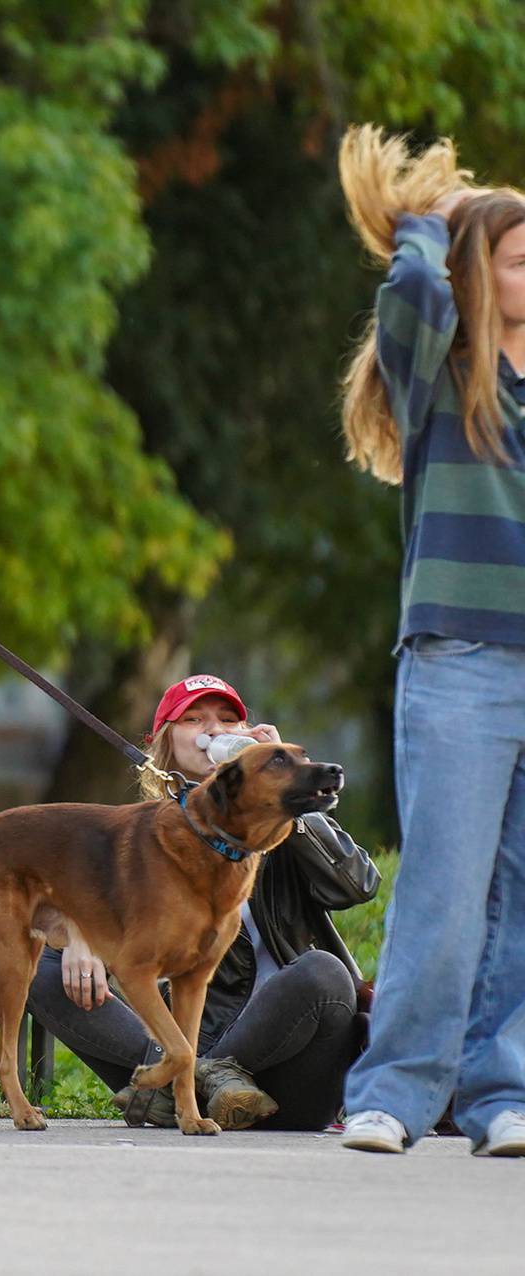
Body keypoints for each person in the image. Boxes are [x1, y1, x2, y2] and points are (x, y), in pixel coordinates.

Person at [332, 126, 525, 1158]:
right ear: (476, 276)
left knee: (524, 901)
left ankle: (504, 1095)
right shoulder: (440, 383)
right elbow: (409, 300)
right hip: (461, 661)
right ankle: (395, 1092)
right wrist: (432, 225)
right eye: (520, 254)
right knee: (446, 893)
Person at [27, 675, 379, 1131]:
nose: (213, 730)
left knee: (324, 970)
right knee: (45, 965)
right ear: (164, 745)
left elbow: (358, 885)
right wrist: (76, 933)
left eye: (228, 720)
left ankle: (195, 1075)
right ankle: (191, 1077)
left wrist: (294, 789)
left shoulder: (279, 824)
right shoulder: (136, 840)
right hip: (172, 1052)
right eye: (194, 720)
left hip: (293, 1069)